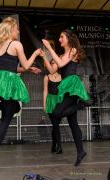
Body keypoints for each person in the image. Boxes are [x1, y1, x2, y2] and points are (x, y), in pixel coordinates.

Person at [0, 17, 41, 170]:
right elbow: (26, 63)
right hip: (8, 83)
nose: (18, 31)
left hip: (0, 81)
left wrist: (29, 69)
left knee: (14, 109)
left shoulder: (0, 45)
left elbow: (12, 67)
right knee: (6, 121)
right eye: (16, 29)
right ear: (10, 30)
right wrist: (35, 54)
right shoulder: (16, 44)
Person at [41, 29, 90, 166]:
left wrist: (50, 47)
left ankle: (80, 104)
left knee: (56, 113)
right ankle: (80, 152)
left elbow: (62, 64)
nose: (59, 39)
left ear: (68, 38)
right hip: (66, 88)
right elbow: (52, 70)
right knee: (73, 123)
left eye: (62, 37)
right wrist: (45, 56)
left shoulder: (73, 50)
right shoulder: (62, 54)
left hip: (72, 87)